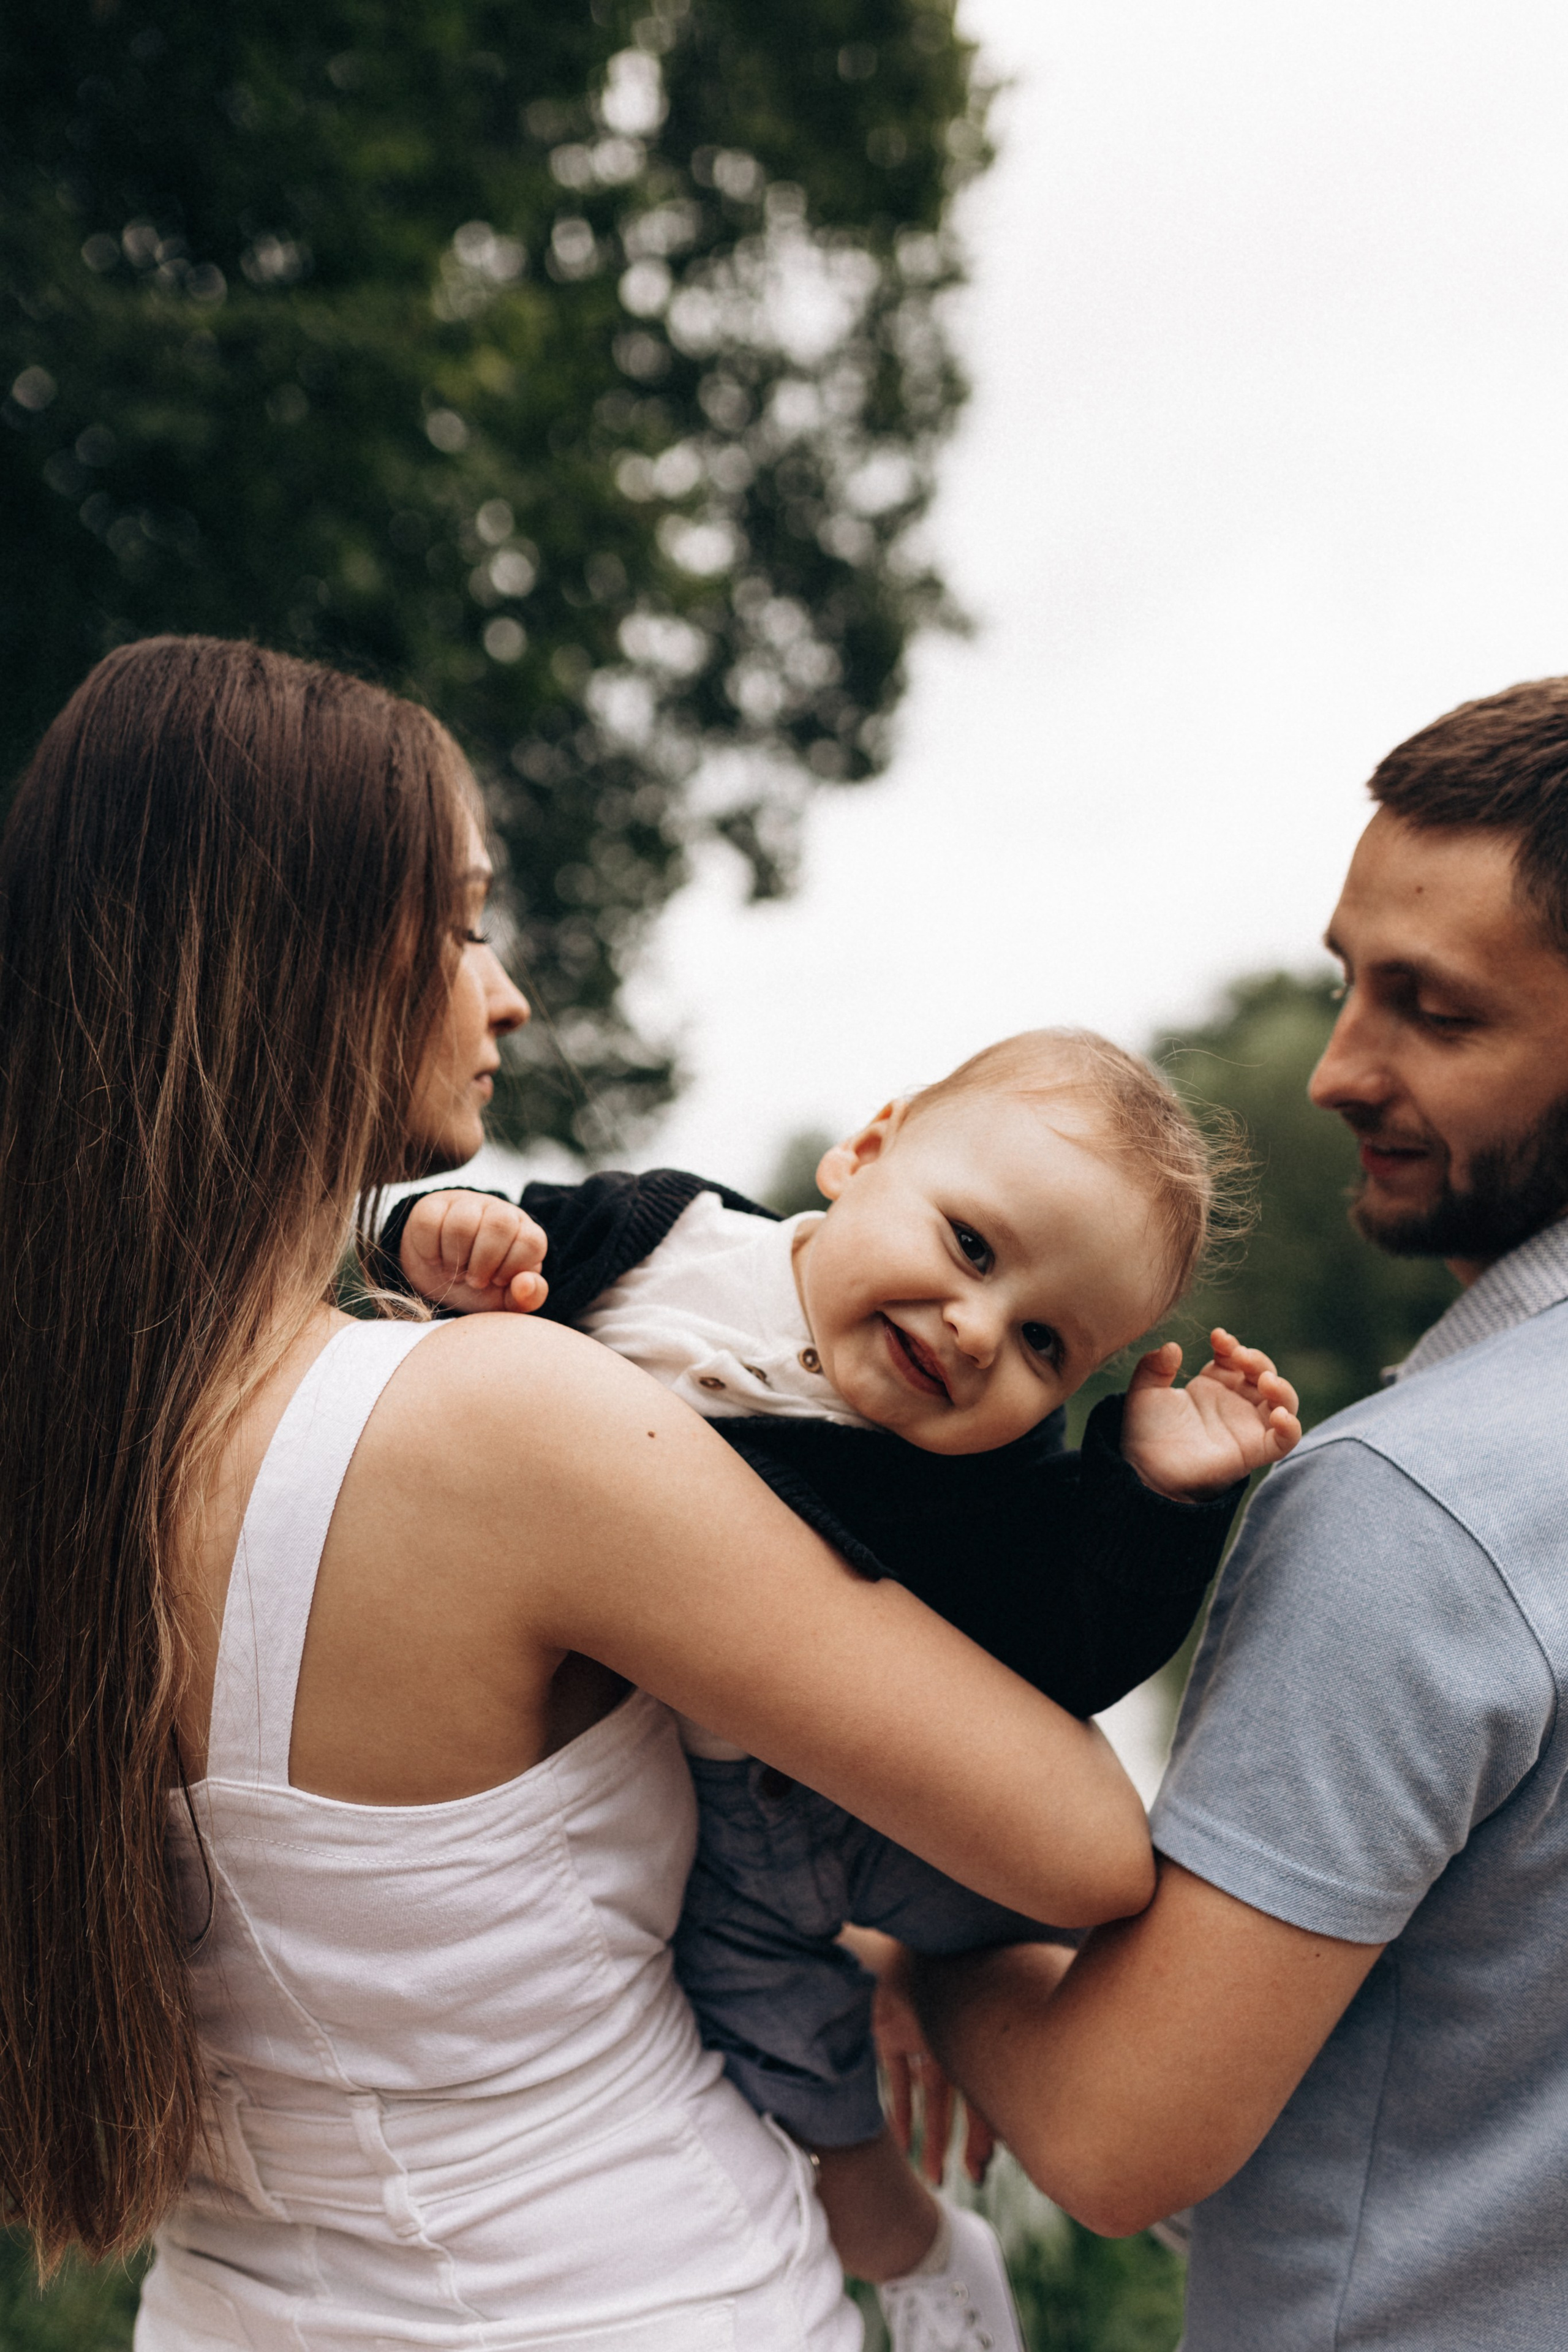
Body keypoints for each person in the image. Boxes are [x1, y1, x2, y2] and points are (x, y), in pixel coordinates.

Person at [0, 635, 1163, 2352]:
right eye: (466, 923)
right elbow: (1080, 1845)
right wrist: (914, 1946)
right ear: (304, 949)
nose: (508, 992)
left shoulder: (60, 1451)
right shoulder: (499, 1425)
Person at [380, 1038, 1300, 2346]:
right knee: (810, 2103)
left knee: (1150, 1940)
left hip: (890, 1813)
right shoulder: (658, 1240)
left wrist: (1155, 1499)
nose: (977, 1331)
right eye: (972, 1248)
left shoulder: (989, 1477)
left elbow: (1073, 1653)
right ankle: (924, 2262)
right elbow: (460, 1262)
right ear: (864, 1154)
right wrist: (440, 1234)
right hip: (716, 1854)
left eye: (1046, 1343)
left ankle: (1209, 2162)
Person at [905, 676, 1568, 2351]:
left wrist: (916, 1944)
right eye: (1352, 982)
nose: (1343, 1067)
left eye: (1436, 1011)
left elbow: (1125, 2136)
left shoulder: (1416, 1512)